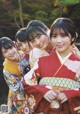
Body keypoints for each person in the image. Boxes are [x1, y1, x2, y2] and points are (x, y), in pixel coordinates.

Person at [23, 17, 80, 114]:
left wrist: (71, 93)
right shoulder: (40, 61)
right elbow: (27, 81)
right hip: (47, 109)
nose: (58, 41)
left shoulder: (77, 61)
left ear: (73, 38)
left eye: (63, 36)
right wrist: (43, 91)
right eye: (54, 36)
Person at [0, 37, 30, 114]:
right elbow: (17, 89)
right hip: (19, 94)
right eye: (5, 52)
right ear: (2, 55)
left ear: (15, 45)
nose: (10, 52)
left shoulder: (25, 53)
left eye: (11, 48)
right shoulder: (6, 70)